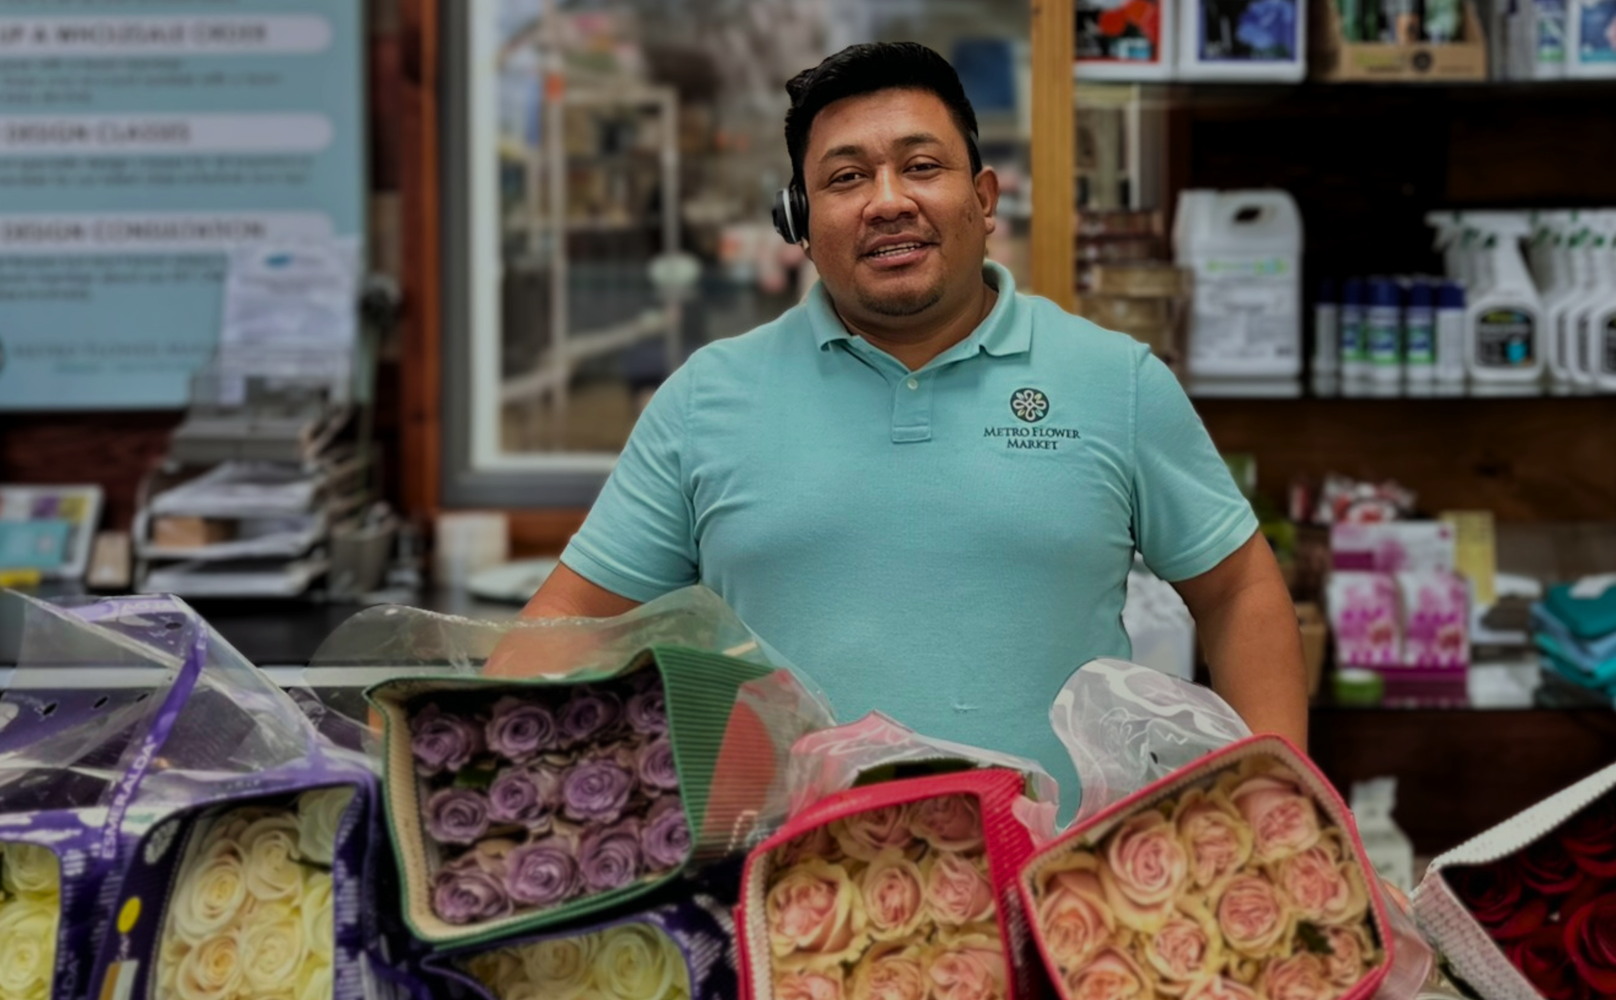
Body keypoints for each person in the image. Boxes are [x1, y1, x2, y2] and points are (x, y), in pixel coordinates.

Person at [503, 42, 1305, 782]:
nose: (888, 202)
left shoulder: (1114, 380)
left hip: (1056, 897)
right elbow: (570, 621)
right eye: (846, 178)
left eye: (921, 166)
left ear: (984, 199)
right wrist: (462, 775)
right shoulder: (707, 398)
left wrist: (1274, 804)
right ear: (800, 224)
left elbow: (1239, 592)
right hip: (791, 902)